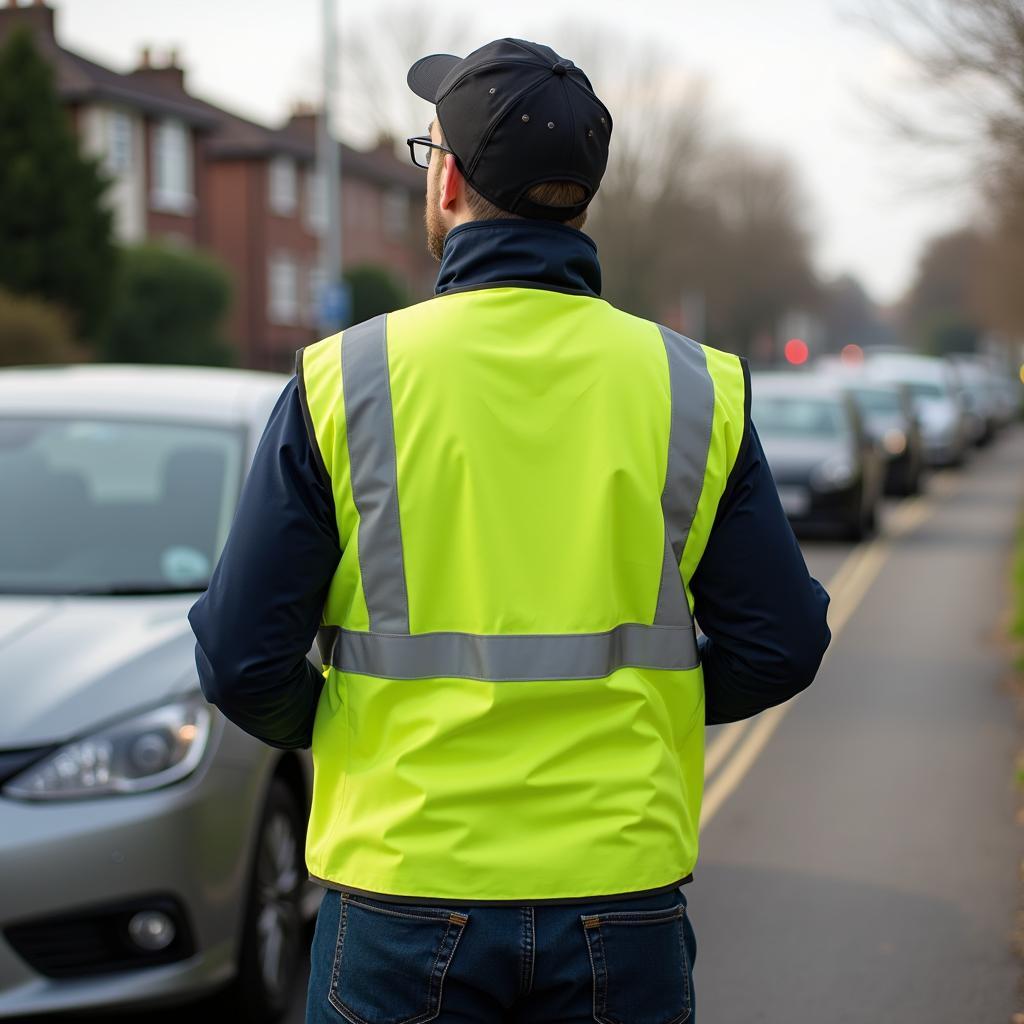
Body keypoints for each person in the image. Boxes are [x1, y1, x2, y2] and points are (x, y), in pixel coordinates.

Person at [189, 37, 831, 1024]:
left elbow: (239, 656)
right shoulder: (691, 387)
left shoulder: (344, 381)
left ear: (446, 178)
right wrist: (636, 720)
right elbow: (781, 642)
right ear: (579, 195)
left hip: (401, 891)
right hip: (618, 897)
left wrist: (348, 728)